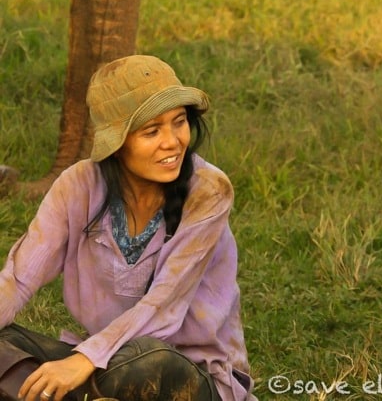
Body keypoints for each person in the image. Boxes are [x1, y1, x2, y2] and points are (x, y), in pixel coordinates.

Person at [0, 55, 256, 401]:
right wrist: (86, 359)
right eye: (152, 131)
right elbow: (18, 279)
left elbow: (162, 307)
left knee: (147, 363)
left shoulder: (209, 190)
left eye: (178, 122)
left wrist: (85, 358)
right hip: (100, 366)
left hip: (185, 372)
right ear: (116, 144)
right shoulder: (78, 185)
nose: (173, 141)